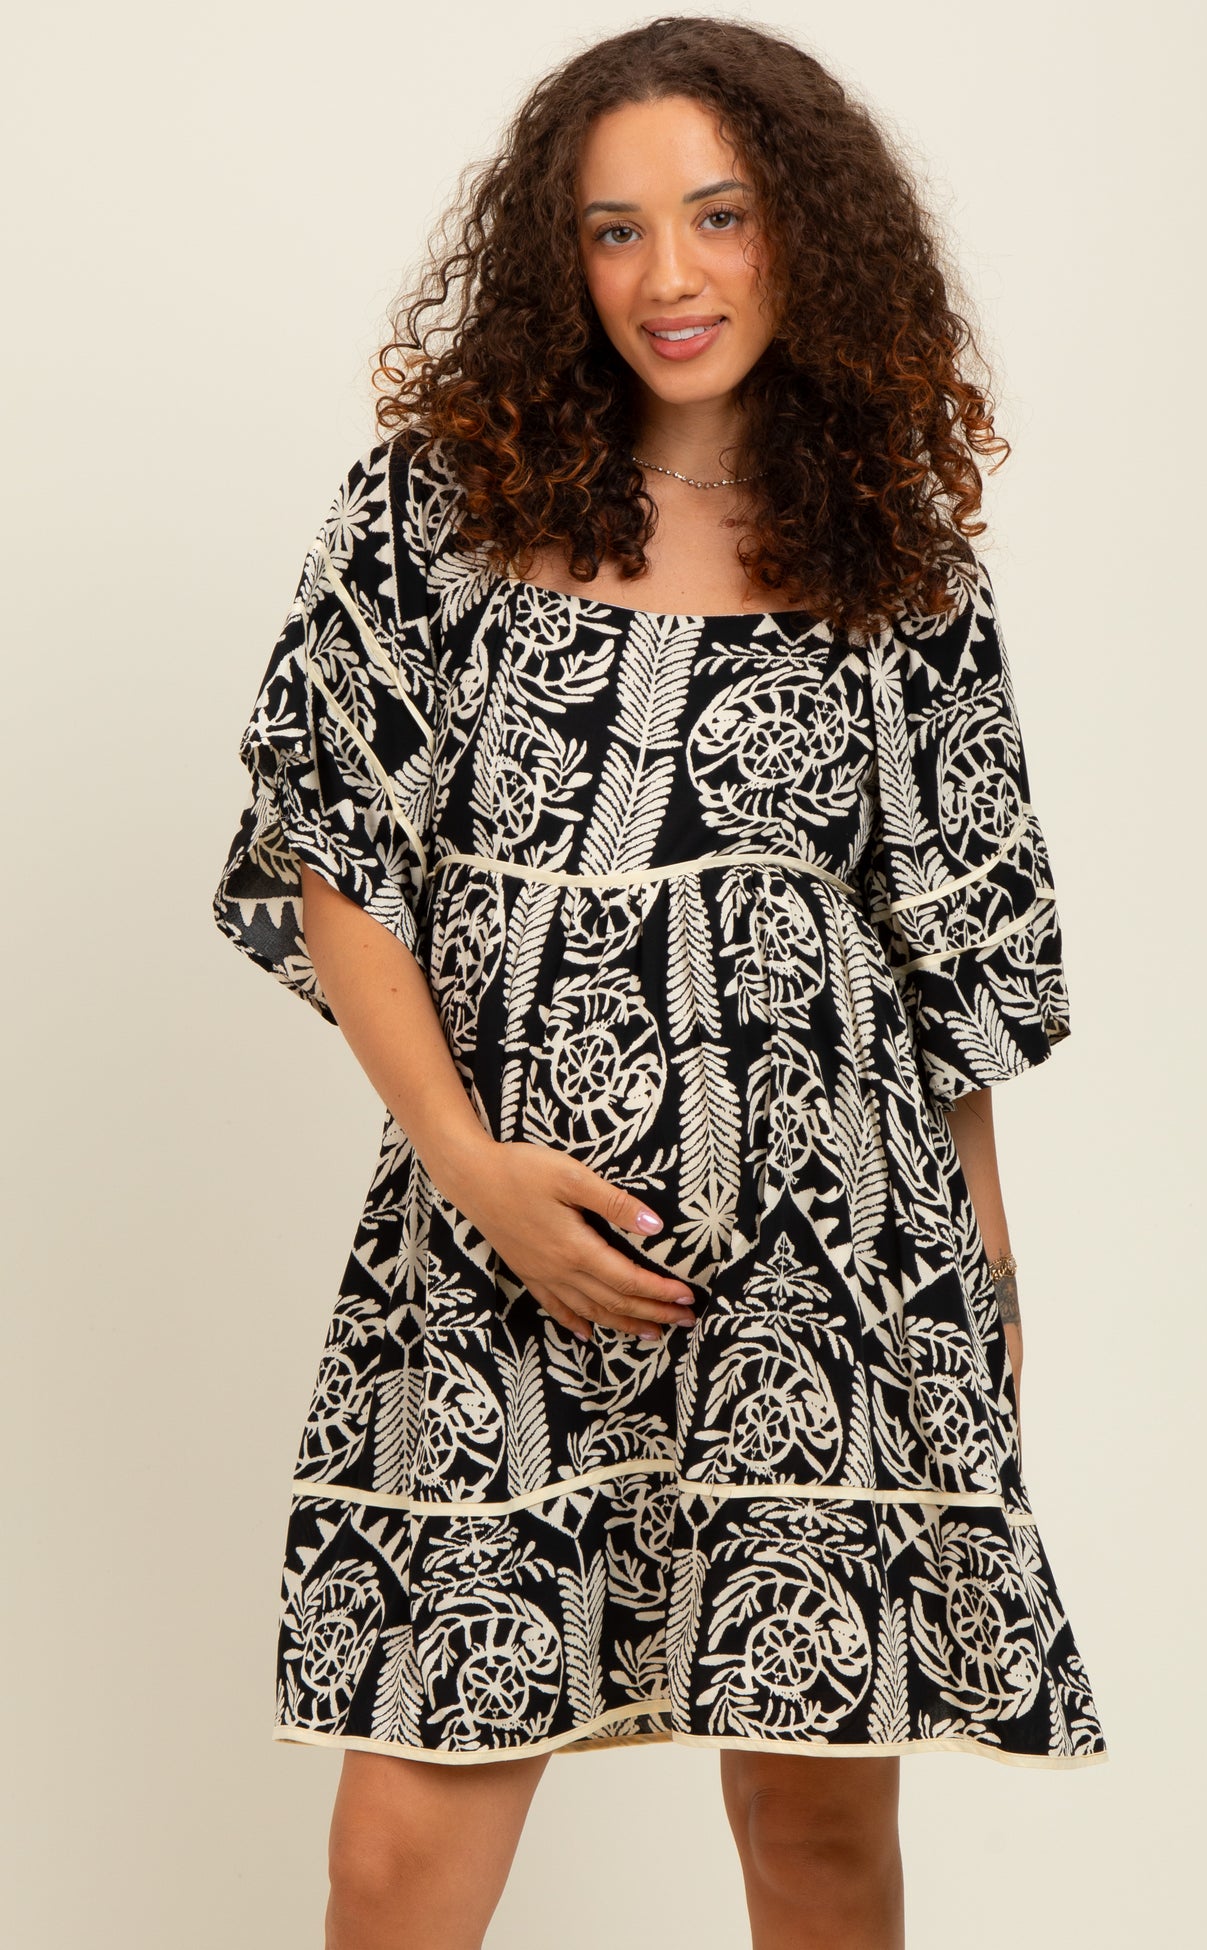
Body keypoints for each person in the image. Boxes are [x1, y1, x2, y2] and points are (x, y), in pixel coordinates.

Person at [212, 16, 1109, 1948]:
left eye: (719, 215)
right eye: (615, 231)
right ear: (562, 259)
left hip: (829, 1270)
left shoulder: (899, 563)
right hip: (501, 1245)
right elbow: (333, 854)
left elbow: (949, 958)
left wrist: (987, 1274)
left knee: (818, 1832)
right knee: (398, 1849)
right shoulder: (434, 512)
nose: (670, 276)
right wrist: (471, 1169)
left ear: (810, 233)